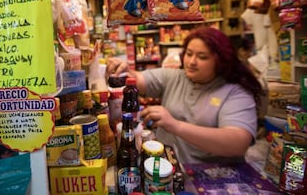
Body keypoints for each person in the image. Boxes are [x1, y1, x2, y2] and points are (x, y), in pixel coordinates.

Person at [107, 26, 264, 164]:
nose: (192, 62)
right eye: (189, 54)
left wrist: (175, 125)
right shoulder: (176, 76)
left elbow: (237, 143)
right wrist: (124, 69)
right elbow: (138, 79)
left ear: (221, 61)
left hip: (211, 177)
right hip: (167, 170)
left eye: (202, 57)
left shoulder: (235, 92)